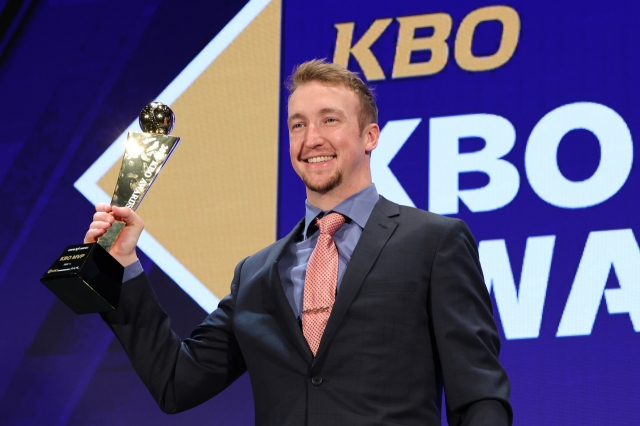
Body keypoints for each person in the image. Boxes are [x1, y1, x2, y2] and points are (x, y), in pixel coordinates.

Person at [85, 59, 512, 425]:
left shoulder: (434, 242)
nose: (311, 139)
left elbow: (478, 395)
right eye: (298, 125)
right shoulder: (256, 274)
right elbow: (176, 381)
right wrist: (123, 267)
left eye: (330, 119)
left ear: (370, 136)